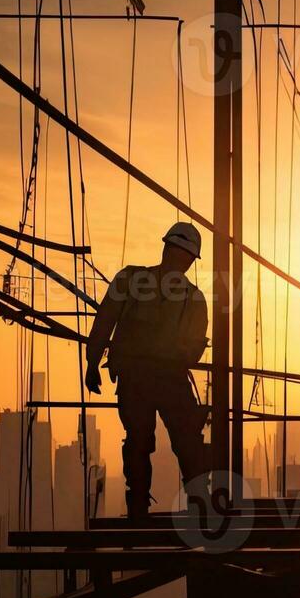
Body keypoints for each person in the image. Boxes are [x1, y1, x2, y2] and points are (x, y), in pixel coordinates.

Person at [85, 221, 210, 520]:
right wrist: (92, 363)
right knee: (175, 441)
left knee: (148, 441)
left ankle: (145, 506)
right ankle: (193, 505)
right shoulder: (190, 297)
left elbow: (104, 323)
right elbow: (193, 348)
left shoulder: (131, 280)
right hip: (159, 379)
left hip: (144, 378)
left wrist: (92, 364)